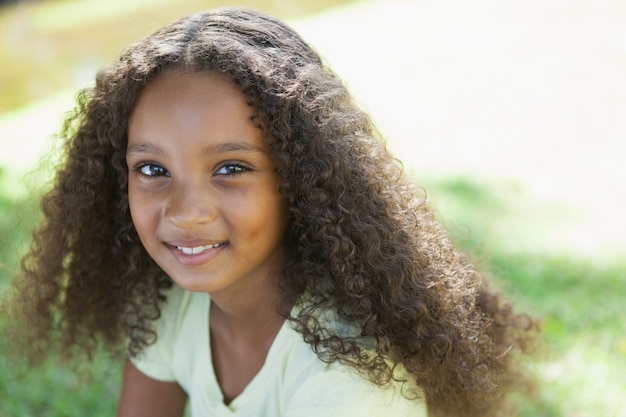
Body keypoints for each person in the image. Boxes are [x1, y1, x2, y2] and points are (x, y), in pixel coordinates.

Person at [1, 7, 536, 417]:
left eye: (231, 168)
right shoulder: (173, 310)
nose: (185, 213)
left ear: (301, 180)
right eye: (152, 169)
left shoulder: (345, 382)